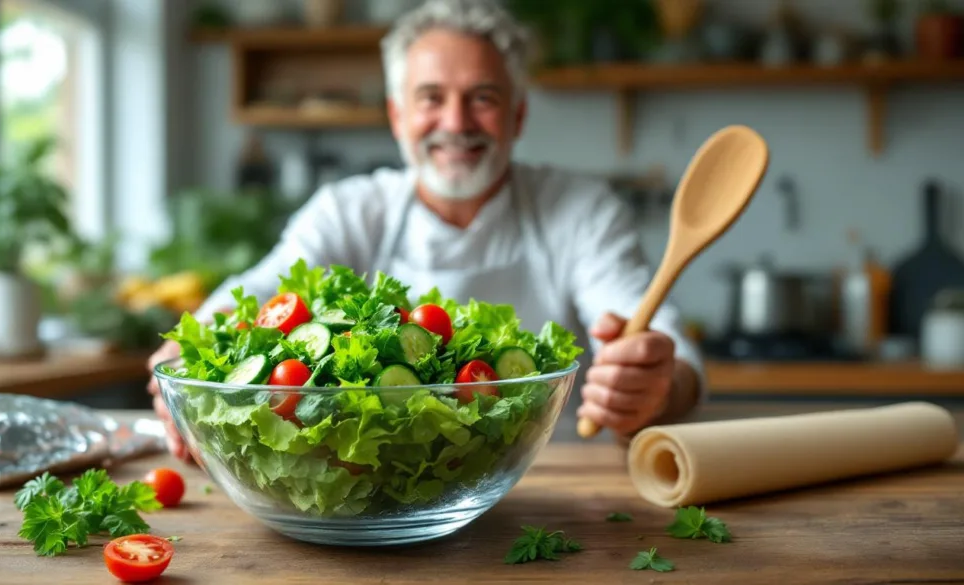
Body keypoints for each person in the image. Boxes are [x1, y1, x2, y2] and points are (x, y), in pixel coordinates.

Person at [146, 0, 706, 462]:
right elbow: (262, 296)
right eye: (431, 98)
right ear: (397, 117)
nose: (457, 122)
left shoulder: (581, 210)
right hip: (370, 484)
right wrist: (181, 356)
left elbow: (671, 354)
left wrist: (658, 386)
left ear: (517, 117)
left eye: (483, 98)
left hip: (547, 480)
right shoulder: (348, 210)